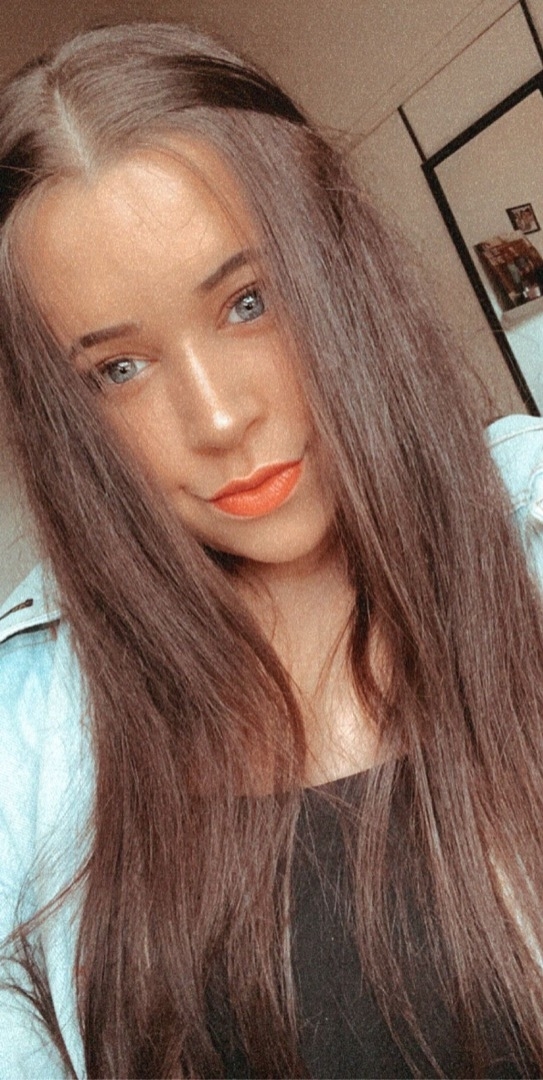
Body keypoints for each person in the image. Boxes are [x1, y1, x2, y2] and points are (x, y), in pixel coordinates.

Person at [1, 21, 543, 1080]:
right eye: (119, 370)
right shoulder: (29, 734)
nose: (216, 419)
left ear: (337, 272)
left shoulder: (525, 524)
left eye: (248, 304)